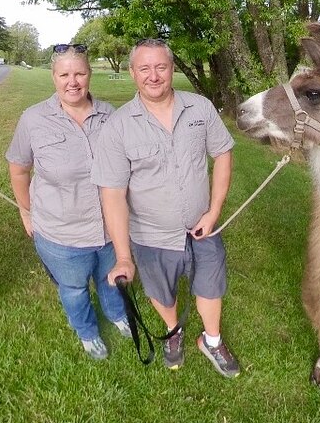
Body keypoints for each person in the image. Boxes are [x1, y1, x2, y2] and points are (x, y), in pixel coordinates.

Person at [91, 38, 240, 377]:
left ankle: (212, 341)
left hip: (204, 227)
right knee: (161, 292)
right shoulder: (118, 127)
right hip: (151, 235)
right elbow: (112, 194)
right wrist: (124, 256)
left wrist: (214, 210)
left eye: (161, 67)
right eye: (144, 68)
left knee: (211, 286)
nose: (153, 75)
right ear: (132, 73)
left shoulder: (200, 109)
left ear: (172, 69)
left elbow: (223, 153)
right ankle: (174, 332)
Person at [6, 43, 131, 360]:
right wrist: (26, 213)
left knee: (111, 278)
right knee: (74, 290)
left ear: (90, 75)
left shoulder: (111, 116)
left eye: (80, 73)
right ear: (53, 77)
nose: (72, 81)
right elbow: (19, 169)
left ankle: (116, 314)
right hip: (61, 233)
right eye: (64, 74)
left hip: (109, 228)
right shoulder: (33, 119)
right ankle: (87, 332)